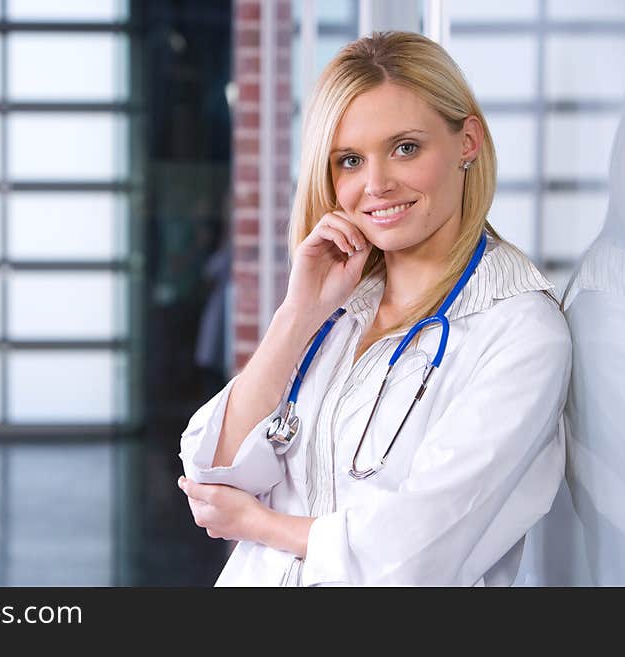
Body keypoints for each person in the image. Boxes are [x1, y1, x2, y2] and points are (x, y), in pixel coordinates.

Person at [176, 31, 572, 586]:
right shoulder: (337, 308)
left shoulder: (520, 332)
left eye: (405, 147)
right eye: (350, 160)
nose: (376, 185)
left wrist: (263, 524)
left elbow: (415, 552)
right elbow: (211, 469)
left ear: (468, 142)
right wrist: (296, 315)